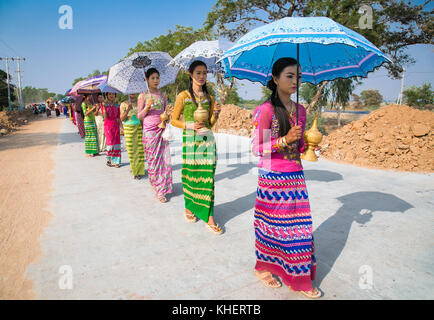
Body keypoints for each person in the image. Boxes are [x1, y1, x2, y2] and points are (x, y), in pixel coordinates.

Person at [251, 57, 320, 299]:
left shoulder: (300, 110)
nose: (295, 81)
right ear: (275, 78)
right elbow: (258, 148)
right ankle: (264, 267)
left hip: (296, 177)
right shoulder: (266, 111)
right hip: (272, 177)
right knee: (272, 228)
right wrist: (285, 139)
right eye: (289, 76)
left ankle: (296, 276)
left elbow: (298, 147)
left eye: (298, 77)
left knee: (299, 229)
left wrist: (309, 146)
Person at [171, 60, 222, 234]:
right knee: (191, 174)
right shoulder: (183, 96)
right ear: (190, 74)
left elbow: (210, 123)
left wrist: (216, 113)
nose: (202, 76)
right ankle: (189, 207)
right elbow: (173, 120)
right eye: (198, 73)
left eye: (205, 73)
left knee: (208, 177)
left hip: (207, 140)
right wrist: (189, 125)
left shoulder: (210, 97)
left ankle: (209, 216)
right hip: (191, 140)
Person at [137, 68, 172, 202]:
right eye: (153, 78)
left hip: (161, 130)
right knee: (153, 160)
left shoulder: (163, 95)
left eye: (157, 77)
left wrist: (166, 117)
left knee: (164, 160)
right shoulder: (142, 96)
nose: (156, 80)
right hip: (150, 132)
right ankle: (157, 185)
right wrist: (147, 107)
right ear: (146, 79)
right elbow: (139, 116)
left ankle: (162, 188)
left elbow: (164, 112)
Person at [121, 94, 145, 180]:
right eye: (131, 91)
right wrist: (127, 109)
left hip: (138, 128)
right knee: (132, 151)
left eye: (134, 91)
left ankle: (140, 170)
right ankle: (135, 171)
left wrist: (143, 128)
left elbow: (142, 117)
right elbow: (122, 119)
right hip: (128, 129)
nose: (133, 93)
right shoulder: (123, 104)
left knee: (139, 151)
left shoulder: (140, 103)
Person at [102, 92, 122, 167]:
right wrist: (104, 107)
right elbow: (105, 117)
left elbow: (118, 117)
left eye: (113, 94)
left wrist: (122, 128)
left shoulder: (117, 105)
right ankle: (109, 160)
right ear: (106, 95)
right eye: (109, 94)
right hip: (108, 126)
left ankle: (116, 162)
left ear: (115, 95)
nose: (111, 95)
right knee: (110, 144)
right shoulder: (104, 105)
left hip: (116, 126)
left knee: (116, 144)